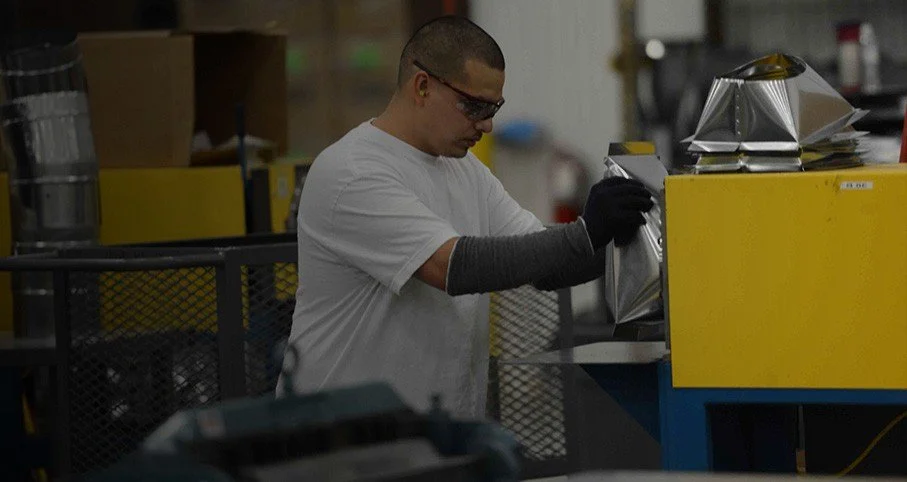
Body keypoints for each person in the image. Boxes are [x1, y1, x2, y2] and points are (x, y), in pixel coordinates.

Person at [277, 16, 653, 418]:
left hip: (434, 437)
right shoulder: (353, 171)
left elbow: (546, 265)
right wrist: (585, 233)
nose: (487, 125)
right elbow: (455, 267)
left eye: (493, 108)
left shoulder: (464, 170)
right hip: (338, 441)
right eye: (474, 106)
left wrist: (626, 240)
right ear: (422, 87)